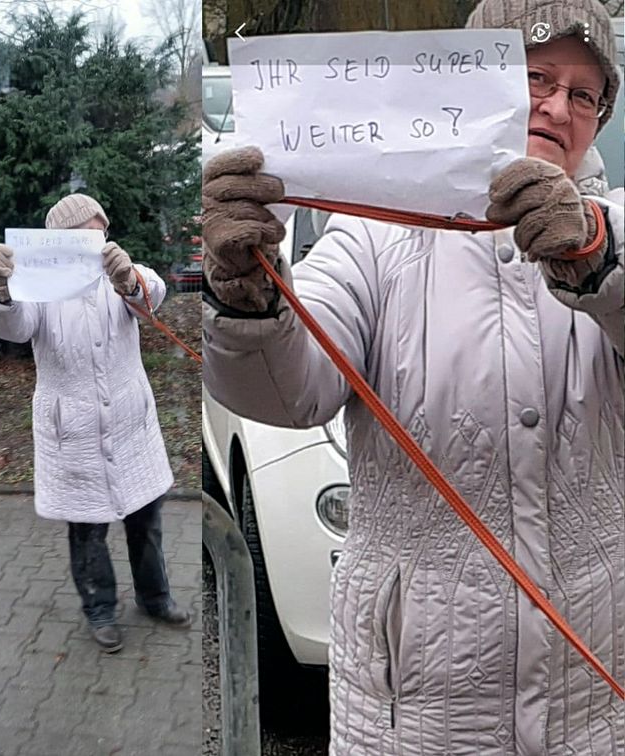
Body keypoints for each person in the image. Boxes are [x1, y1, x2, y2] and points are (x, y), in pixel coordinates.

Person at [201, 0, 623, 752]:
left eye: (584, 93)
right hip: (415, 711)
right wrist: (248, 295)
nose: (558, 106)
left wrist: (599, 259)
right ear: (474, 80)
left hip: (588, 705)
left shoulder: (614, 229)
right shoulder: (373, 232)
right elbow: (288, 393)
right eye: (535, 76)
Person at [0, 193, 191, 653]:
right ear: (62, 240)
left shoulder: (118, 273)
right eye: (86, 235)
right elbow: (13, 327)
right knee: (87, 529)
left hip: (129, 426)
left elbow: (153, 296)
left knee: (146, 520)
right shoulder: (40, 282)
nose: (97, 243)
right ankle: (100, 611)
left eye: (102, 233)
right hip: (72, 431)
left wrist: (128, 280)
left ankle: (155, 598)